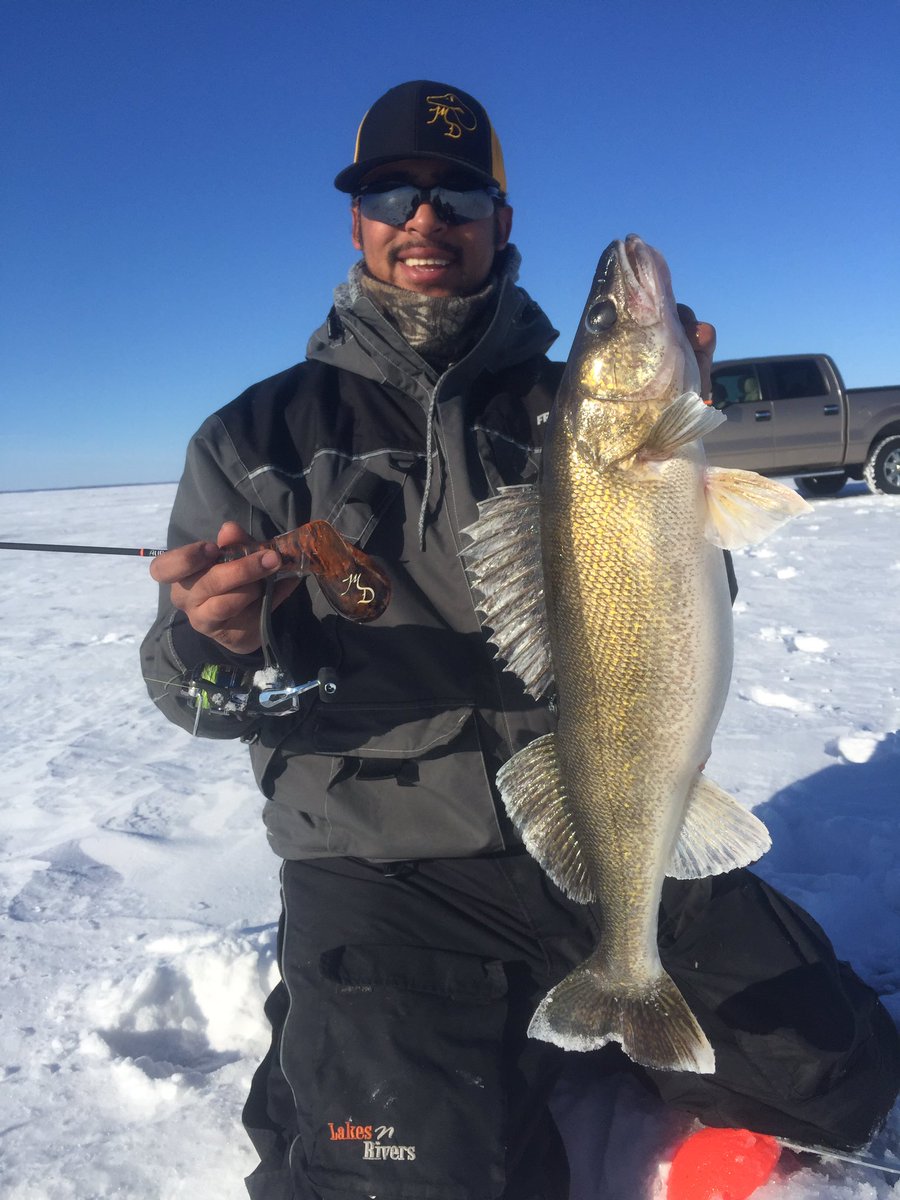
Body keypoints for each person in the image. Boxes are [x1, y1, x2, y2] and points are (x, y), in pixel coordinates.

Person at [141, 81, 899, 1200]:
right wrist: (220, 646)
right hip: (387, 864)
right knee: (405, 1176)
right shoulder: (257, 440)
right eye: (393, 191)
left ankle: (595, 1053)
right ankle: (359, 1048)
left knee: (836, 1068)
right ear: (354, 221)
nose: (424, 217)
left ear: (502, 220)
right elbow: (189, 696)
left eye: (460, 194)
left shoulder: (569, 408)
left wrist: (678, 425)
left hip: (595, 819)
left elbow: (685, 606)